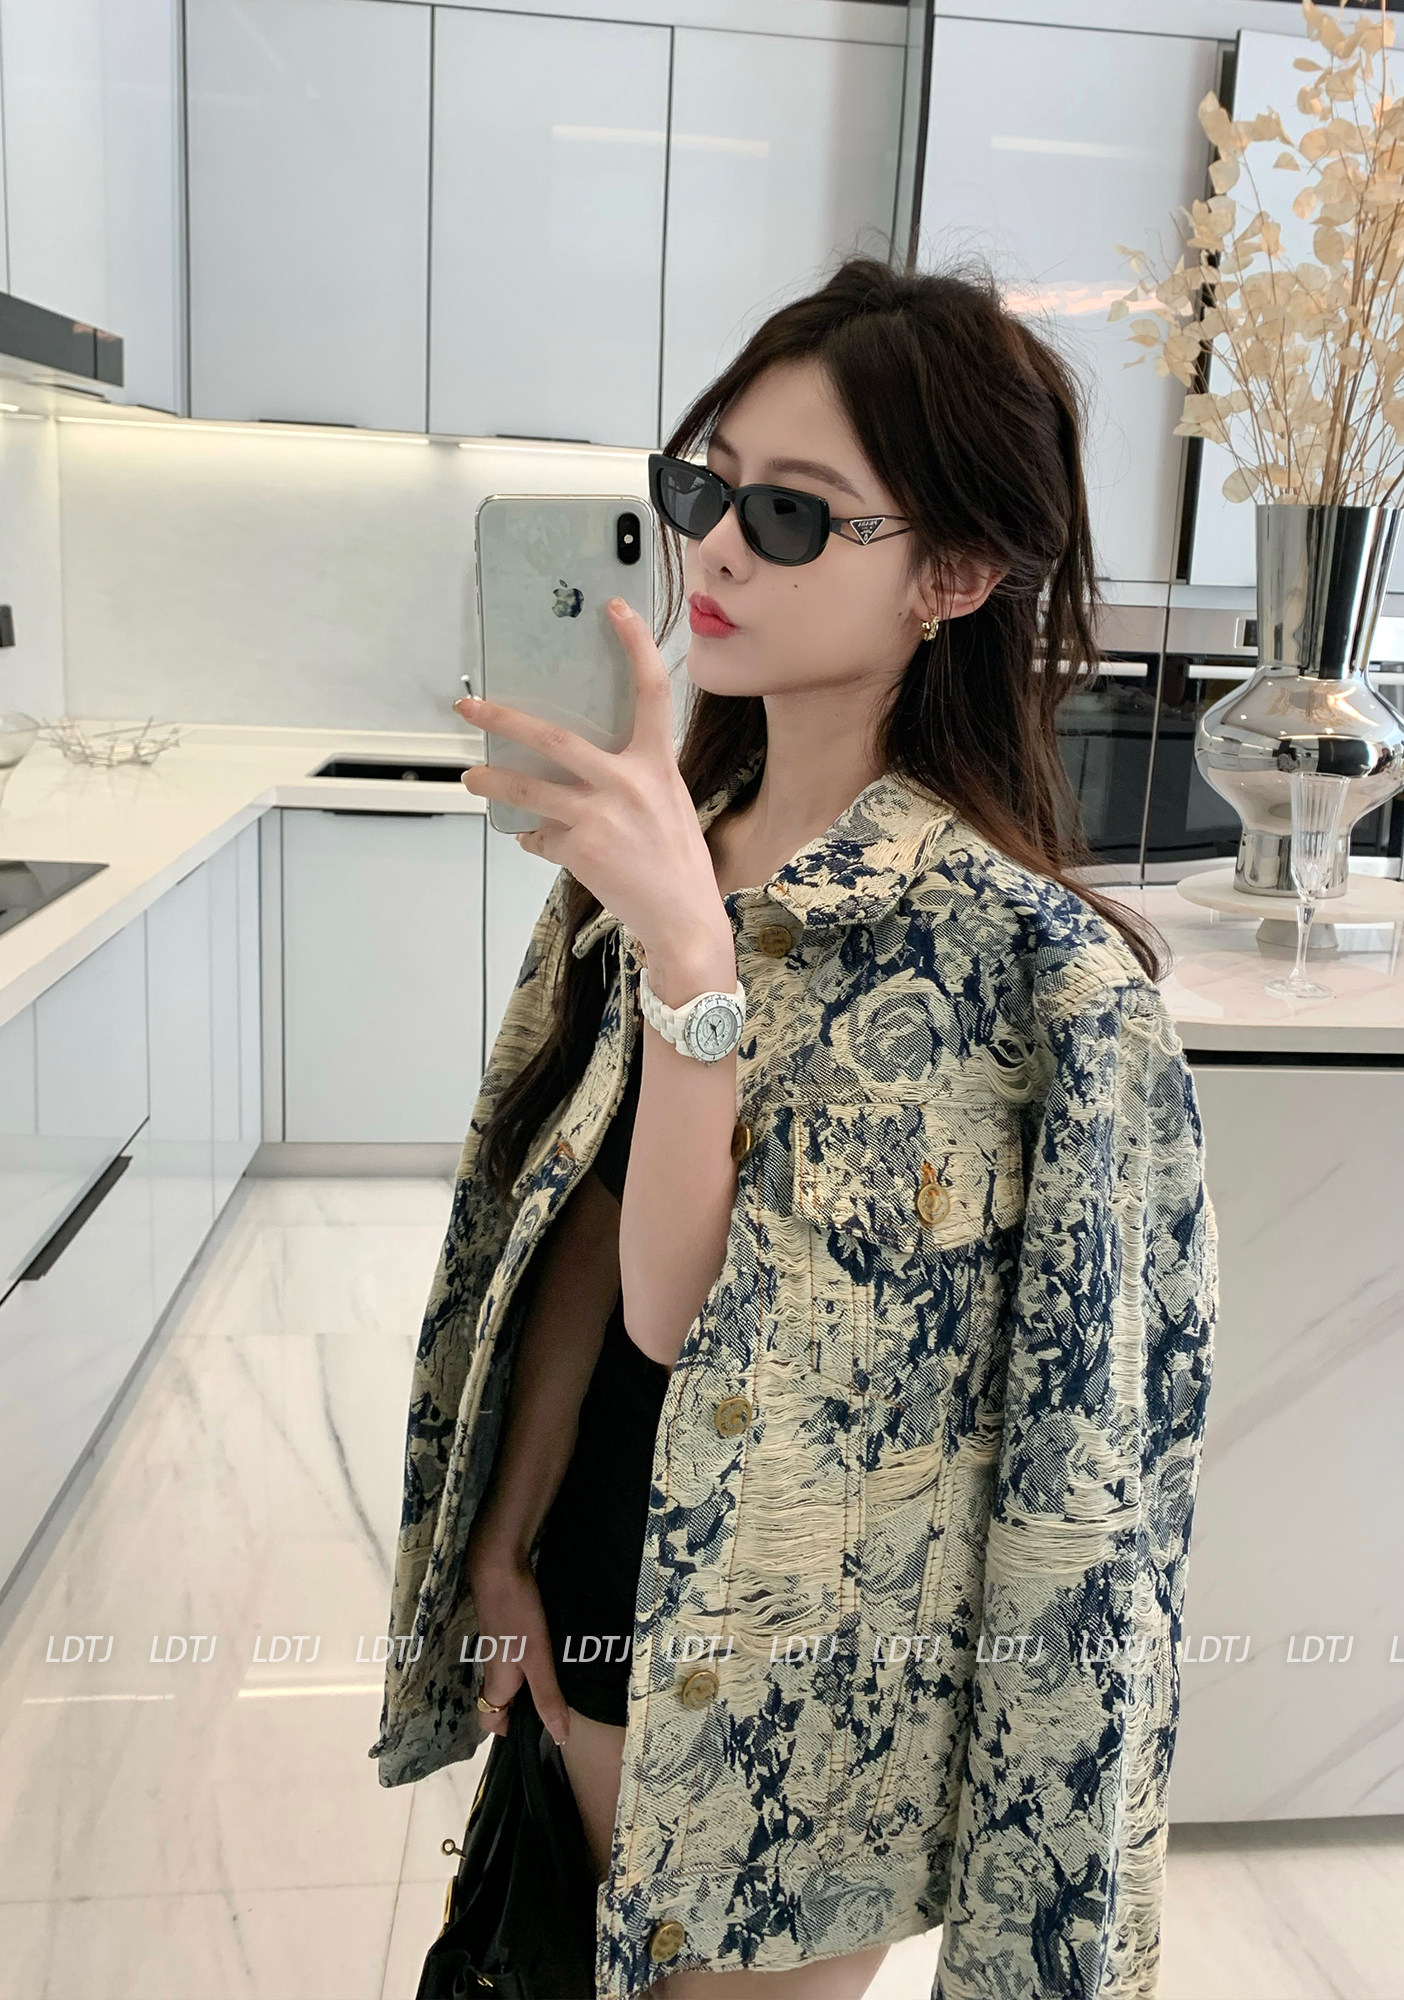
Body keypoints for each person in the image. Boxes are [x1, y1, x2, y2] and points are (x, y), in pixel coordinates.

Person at [369, 255, 1219, 2000]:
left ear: (954, 576)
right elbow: (585, 1234)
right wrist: (506, 1543)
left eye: (793, 514)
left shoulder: (1030, 977)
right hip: (592, 1580)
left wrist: (695, 967)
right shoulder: (663, 848)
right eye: (708, 488)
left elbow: (700, 1315)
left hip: (807, 1703)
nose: (719, 552)